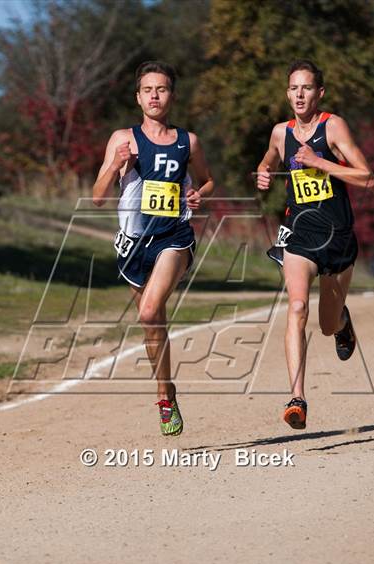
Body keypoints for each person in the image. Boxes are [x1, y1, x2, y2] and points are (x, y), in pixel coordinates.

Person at [93, 61, 214, 435]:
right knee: (153, 326)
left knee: (148, 312)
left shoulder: (187, 141)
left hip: (175, 238)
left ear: (171, 96)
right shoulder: (122, 139)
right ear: (138, 97)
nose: (155, 96)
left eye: (161, 89)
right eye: (148, 90)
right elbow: (98, 198)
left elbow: (208, 182)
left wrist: (198, 195)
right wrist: (115, 164)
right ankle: (166, 392)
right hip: (134, 243)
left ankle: (164, 394)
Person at [256, 59, 374, 429]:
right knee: (296, 307)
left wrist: (322, 163)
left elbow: (367, 177)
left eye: (306, 87)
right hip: (300, 235)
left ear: (319, 93)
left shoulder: (333, 126)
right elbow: (270, 158)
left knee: (326, 324)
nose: (299, 94)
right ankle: (297, 398)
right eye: (293, 88)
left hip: (338, 237)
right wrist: (262, 171)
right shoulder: (281, 132)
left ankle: (342, 323)